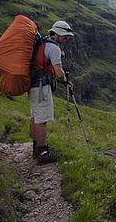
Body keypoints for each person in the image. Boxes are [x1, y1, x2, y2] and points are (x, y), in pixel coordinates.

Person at [29, 21, 74, 164]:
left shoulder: (43, 43)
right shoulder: (54, 49)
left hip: (33, 84)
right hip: (42, 87)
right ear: (58, 34)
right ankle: (43, 152)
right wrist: (66, 81)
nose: (67, 39)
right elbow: (59, 74)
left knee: (35, 116)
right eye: (65, 36)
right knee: (42, 119)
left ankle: (36, 148)